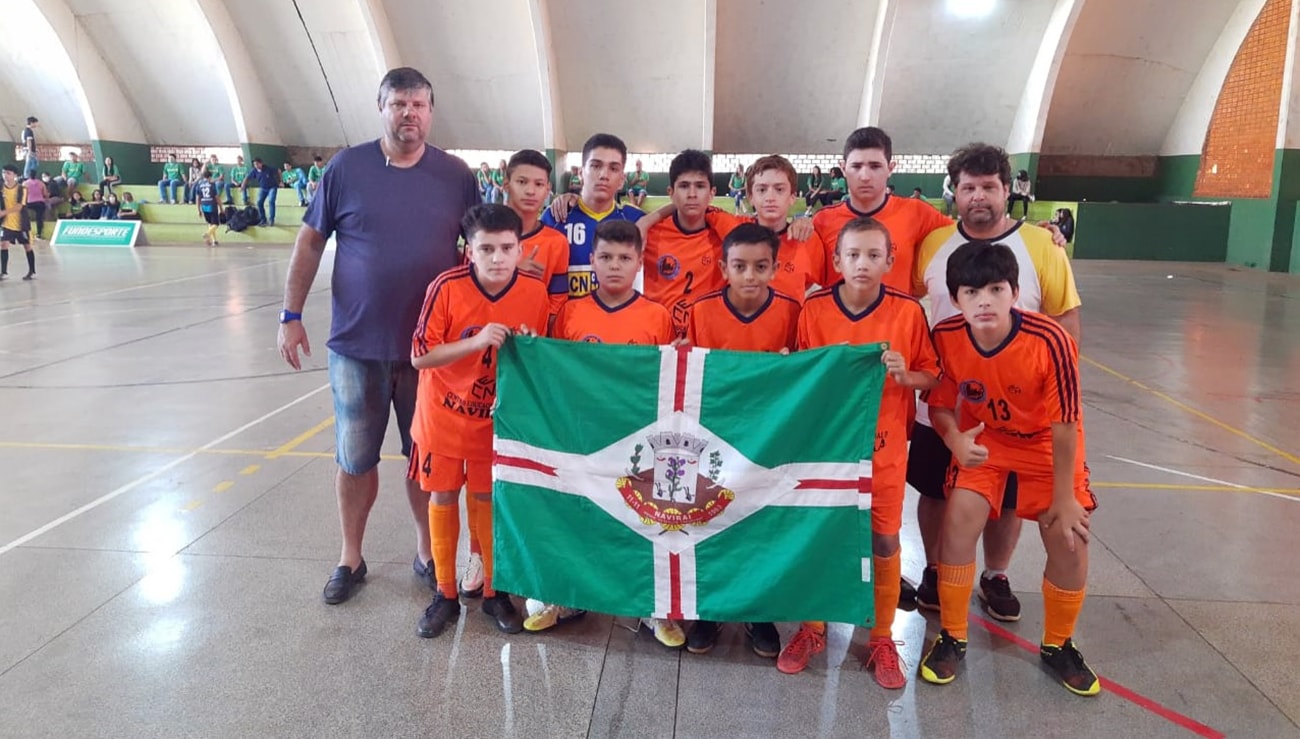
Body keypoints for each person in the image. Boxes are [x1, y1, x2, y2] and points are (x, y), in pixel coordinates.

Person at [277, 66, 480, 606]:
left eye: (418, 104)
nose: (409, 114)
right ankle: (350, 555)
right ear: (382, 108)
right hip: (356, 347)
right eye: (399, 104)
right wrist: (289, 313)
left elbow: (485, 249)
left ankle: (426, 551)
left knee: (424, 458)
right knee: (354, 458)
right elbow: (311, 243)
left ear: (431, 112)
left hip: (429, 353)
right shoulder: (347, 168)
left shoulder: (457, 176)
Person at [909, 143, 1083, 622]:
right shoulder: (932, 243)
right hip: (944, 400)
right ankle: (933, 567)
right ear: (955, 194)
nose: (979, 196)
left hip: (1011, 409)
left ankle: (996, 573)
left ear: (1008, 191)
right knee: (934, 491)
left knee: (1004, 500)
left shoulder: (1042, 245)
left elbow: (1065, 319)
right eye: (969, 187)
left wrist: (1051, 394)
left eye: (989, 187)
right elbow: (902, 301)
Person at [918, 241, 1098, 696]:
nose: (984, 300)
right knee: (958, 522)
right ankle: (953, 635)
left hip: (1045, 446)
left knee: (1068, 537)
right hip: (987, 441)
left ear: (1015, 292)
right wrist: (956, 440)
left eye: (996, 289)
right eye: (971, 291)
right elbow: (939, 405)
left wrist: (1063, 497)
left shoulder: (1050, 340)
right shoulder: (947, 336)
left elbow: (1065, 425)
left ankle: (1059, 644)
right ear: (954, 298)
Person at [783, 217, 938, 689]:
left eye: (874, 255)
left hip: (884, 449)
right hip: (827, 447)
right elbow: (800, 376)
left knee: (884, 541)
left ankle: (882, 636)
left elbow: (931, 376)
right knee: (819, 534)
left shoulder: (908, 313)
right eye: (853, 255)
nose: (863, 264)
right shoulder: (814, 311)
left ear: (891, 260)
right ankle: (812, 629)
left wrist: (906, 375)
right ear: (836, 261)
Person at [411, 204, 549, 639]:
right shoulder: (445, 287)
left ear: (519, 248)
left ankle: (494, 593)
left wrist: (529, 346)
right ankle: (446, 593)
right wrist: (476, 343)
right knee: (444, 498)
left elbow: (539, 356)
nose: (496, 258)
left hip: (495, 422)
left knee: (490, 503)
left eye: (506, 248)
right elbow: (420, 356)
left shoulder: (534, 291)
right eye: (485, 248)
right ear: (468, 250)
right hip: (443, 418)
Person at [540, 220, 678, 645]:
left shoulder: (657, 316)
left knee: (641, 521)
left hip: (638, 440)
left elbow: (671, 381)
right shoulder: (571, 312)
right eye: (605, 257)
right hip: (584, 437)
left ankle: (651, 608)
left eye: (624, 258)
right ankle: (569, 595)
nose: (614, 266)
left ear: (639, 262)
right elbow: (550, 372)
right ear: (593, 260)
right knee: (580, 517)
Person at [812, 128, 952, 297]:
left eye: (875, 166)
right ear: (843, 168)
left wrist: (923, 282)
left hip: (898, 321)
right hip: (838, 322)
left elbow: (963, 238)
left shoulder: (917, 213)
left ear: (890, 168)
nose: (865, 176)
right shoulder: (822, 221)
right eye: (856, 166)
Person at [541, 133, 645, 300]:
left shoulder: (636, 220)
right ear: (581, 173)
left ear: (621, 180)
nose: (604, 175)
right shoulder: (556, 217)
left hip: (619, 323)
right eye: (596, 166)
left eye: (613, 168)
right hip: (566, 323)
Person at [642, 149, 725, 336]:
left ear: (712, 193)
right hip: (660, 340)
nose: (692, 194)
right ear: (671, 192)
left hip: (707, 341)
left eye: (700, 186)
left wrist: (802, 221)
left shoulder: (728, 233)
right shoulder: (650, 232)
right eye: (684, 186)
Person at [0, 165, 35, 280]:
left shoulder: (22, 189)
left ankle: (32, 270)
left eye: (8, 173)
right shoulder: (1, 188)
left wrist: (4, 212)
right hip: (6, 223)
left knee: (27, 246)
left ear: (15, 175)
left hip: (21, 223)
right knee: (3, 244)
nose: (5, 175)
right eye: (4, 173)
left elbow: (19, 206)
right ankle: (4, 272)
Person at [194, 170, 221, 246]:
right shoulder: (212, 184)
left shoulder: (199, 184)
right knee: (216, 224)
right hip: (212, 205)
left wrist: (198, 209)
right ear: (210, 177)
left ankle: (214, 241)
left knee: (210, 223)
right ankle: (207, 234)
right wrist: (221, 208)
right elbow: (217, 197)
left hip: (204, 205)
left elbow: (198, 198)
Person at [249, 158, 278, 226]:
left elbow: (278, 171)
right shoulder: (254, 171)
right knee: (259, 202)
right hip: (263, 188)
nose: (256, 165)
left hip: (272, 187)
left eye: (257, 164)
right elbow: (248, 177)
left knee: (271, 201)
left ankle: (271, 219)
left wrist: (280, 181)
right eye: (254, 164)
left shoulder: (268, 168)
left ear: (261, 163)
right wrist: (243, 185)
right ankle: (263, 219)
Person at [24, 173, 49, 240]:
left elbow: (23, 194)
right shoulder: (41, 183)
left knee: (25, 218)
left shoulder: (25, 183)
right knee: (39, 219)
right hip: (40, 203)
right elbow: (45, 194)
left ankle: (26, 234)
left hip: (29, 203)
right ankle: (39, 234)